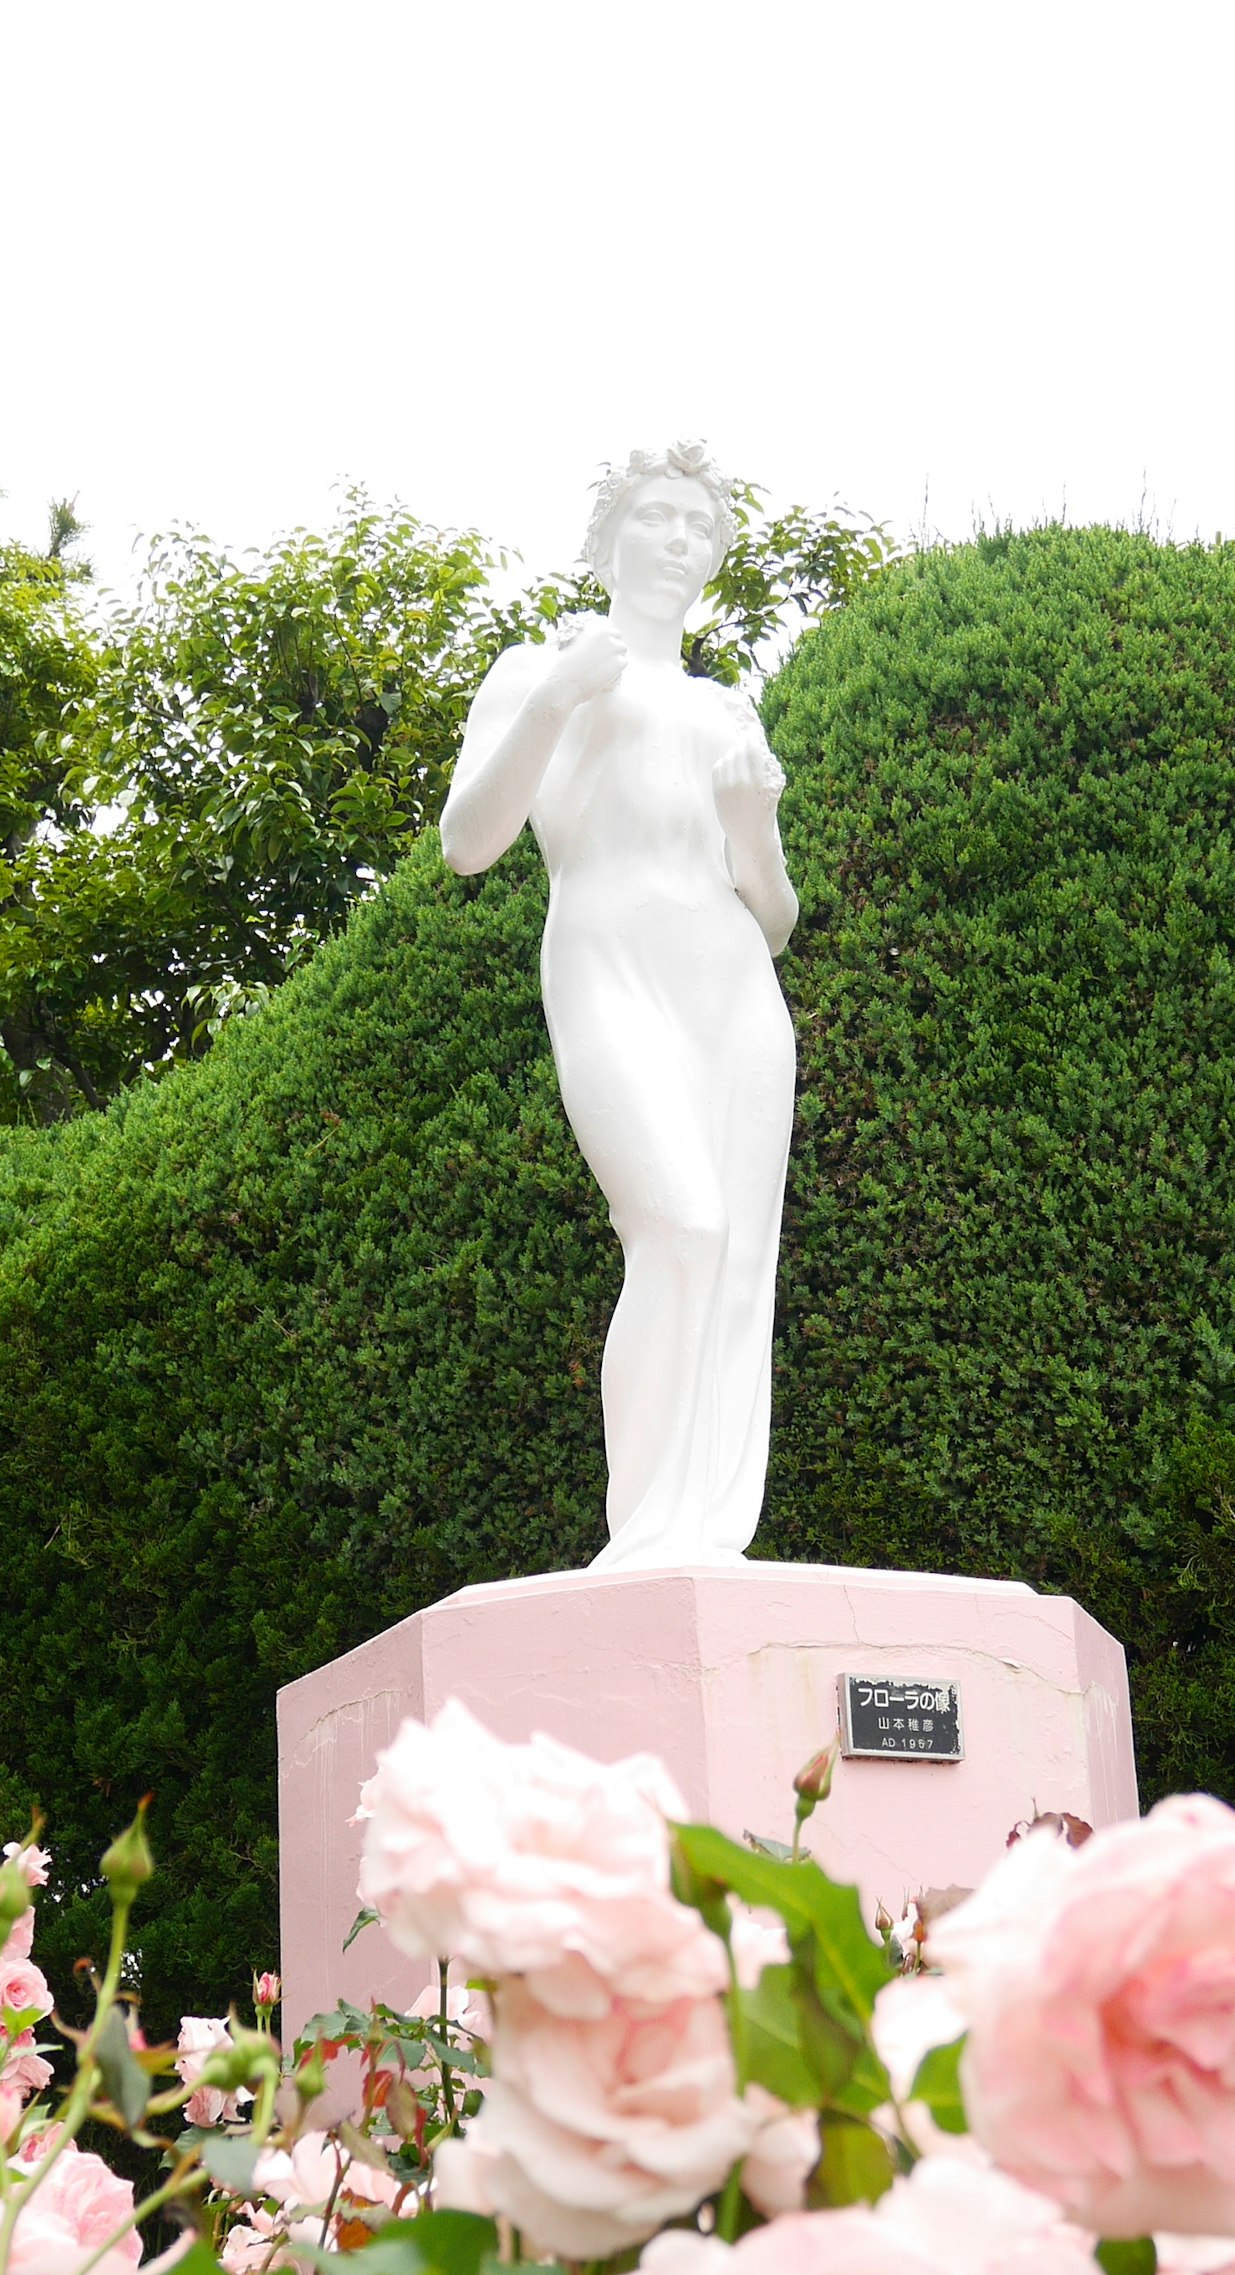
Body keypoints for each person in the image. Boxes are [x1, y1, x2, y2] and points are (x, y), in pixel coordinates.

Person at [441, 444, 801, 1570]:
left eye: (699, 524)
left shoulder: (726, 708)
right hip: (606, 965)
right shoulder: (540, 668)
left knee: (738, 1261)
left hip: (735, 988)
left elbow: (775, 913)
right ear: (608, 541)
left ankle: (709, 1535)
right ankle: (643, 1530)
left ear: (716, 559)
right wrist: (554, 699)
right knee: (679, 1226)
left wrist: (754, 824)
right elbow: (468, 843)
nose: (678, 538)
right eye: (655, 516)